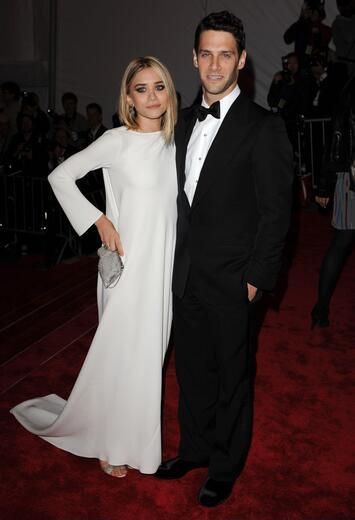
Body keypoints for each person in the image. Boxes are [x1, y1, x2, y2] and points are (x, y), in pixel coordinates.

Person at [10, 56, 178, 479]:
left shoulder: (177, 142)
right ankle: (108, 441)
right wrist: (99, 220)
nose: (152, 96)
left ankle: (135, 439)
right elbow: (60, 177)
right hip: (127, 268)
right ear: (128, 97)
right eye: (142, 88)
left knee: (148, 360)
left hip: (164, 270)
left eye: (159, 86)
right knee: (118, 357)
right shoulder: (116, 142)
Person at [155, 11, 293, 507]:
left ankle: (224, 465)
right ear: (194, 59)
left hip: (234, 279)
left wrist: (256, 278)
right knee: (190, 370)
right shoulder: (181, 119)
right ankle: (193, 448)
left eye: (225, 54)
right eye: (206, 54)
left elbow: (278, 214)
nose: (215, 65)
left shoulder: (264, 128)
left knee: (232, 377)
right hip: (184, 274)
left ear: (241, 60)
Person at [311, 74, 355, 328]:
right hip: (350, 177)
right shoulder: (350, 89)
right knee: (340, 244)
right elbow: (337, 137)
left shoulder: (349, 87)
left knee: (340, 244)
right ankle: (320, 308)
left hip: (348, 176)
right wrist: (325, 183)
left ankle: (320, 310)